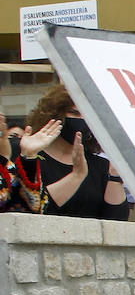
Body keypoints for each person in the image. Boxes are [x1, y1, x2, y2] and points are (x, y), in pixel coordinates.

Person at [28, 85, 129, 220]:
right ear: (54, 115)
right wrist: (77, 176)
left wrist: (115, 176)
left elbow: (117, 220)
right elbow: (35, 209)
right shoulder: (30, 158)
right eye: (74, 113)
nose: (81, 120)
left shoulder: (101, 165)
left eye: (87, 115)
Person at [2, 118, 55, 213]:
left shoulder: (10, 169)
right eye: (13, 136)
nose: (19, 142)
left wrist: (28, 158)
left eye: (22, 138)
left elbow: (34, 206)